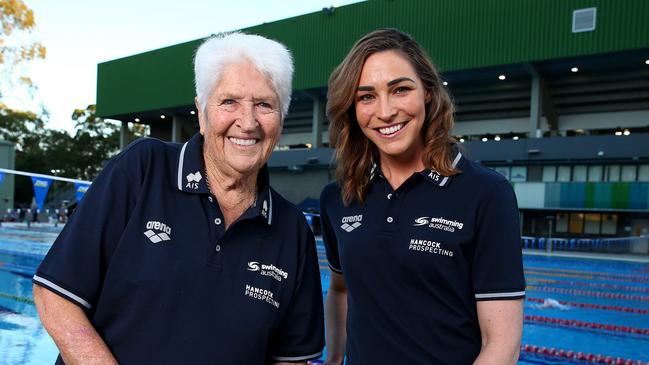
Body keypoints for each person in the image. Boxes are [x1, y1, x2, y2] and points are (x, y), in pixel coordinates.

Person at [33, 32, 324, 364]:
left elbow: (290, 360)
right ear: (202, 112)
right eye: (229, 101)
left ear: (281, 118)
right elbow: (55, 296)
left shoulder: (292, 231)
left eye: (264, 104)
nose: (247, 121)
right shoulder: (144, 170)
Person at [320, 28, 525, 365]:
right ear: (352, 109)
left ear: (428, 92)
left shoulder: (486, 193)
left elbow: (502, 345)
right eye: (366, 96)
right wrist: (335, 356)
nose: (385, 112)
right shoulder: (338, 198)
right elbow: (341, 288)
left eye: (400, 90)